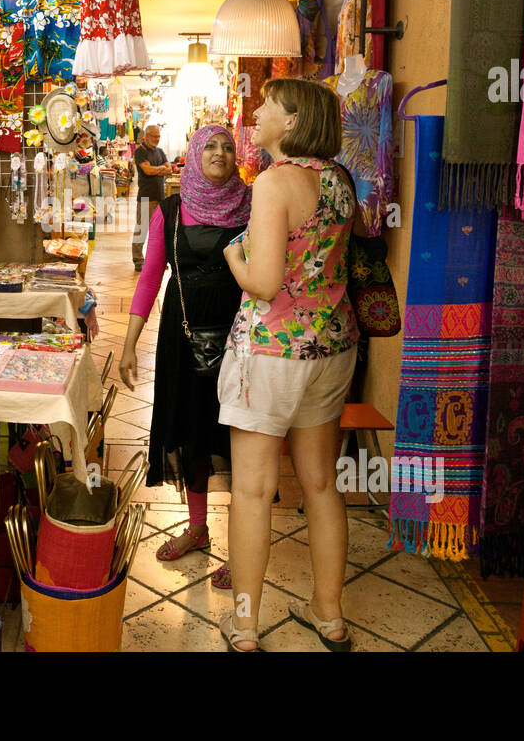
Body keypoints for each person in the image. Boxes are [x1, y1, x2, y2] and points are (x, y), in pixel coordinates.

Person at [217, 78, 360, 652]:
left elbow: (266, 282)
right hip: (332, 347)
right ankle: (329, 616)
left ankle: (246, 627)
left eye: (269, 106)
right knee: (321, 484)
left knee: (253, 490)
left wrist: (233, 254)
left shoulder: (276, 182)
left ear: (293, 123)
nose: (256, 112)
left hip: (273, 355)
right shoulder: (340, 182)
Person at [120, 126, 250, 568]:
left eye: (228, 147)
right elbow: (150, 277)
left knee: (240, 436)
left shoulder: (253, 208)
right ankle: (197, 528)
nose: (220, 153)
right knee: (194, 430)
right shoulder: (171, 211)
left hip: (241, 339)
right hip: (184, 335)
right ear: (194, 155)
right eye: (210, 146)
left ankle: (243, 549)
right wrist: (128, 344)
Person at [132, 124, 170, 270]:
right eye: (154, 136)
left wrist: (158, 169)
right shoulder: (140, 151)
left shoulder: (160, 151)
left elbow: (169, 169)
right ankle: (138, 260)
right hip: (146, 196)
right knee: (141, 229)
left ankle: (156, 260)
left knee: (159, 230)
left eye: (158, 136)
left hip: (160, 196)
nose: (157, 139)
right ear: (146, 136)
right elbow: (147, 171)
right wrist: (160, 169)